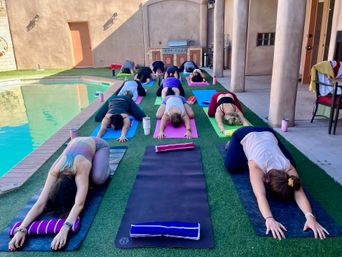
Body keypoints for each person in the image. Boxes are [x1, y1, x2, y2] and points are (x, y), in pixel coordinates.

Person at [224, 126, 329, 240]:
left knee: (293, 162)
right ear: (266, 180)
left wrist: (310, 216)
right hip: (243, 134)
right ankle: (231, 146)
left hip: (268, 132)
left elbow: (299, 192)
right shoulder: (256, 167)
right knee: (232, 167)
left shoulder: (288, 166)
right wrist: (269, 219)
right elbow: (260, 196)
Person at [8, 137, 110, 251]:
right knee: (86, 180)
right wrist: (21, 229)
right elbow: (40, 204)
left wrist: (64, 229)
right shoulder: (53, 172)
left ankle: (105, 167)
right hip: (74, 143)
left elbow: (79, 204)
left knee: (98, 179)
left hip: (98, 144)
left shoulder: (81, 168)